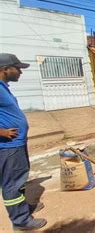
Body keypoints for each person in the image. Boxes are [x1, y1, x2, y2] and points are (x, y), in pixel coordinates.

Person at [0, 53, 47, 231]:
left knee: (19, 179)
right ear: (5, 69)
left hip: (15, 145)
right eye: (17, 68)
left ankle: (23, 209)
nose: (20, 72)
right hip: (7, 147)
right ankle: (21, 222)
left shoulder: (3, 86)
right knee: (12, 183)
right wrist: (2, 132)